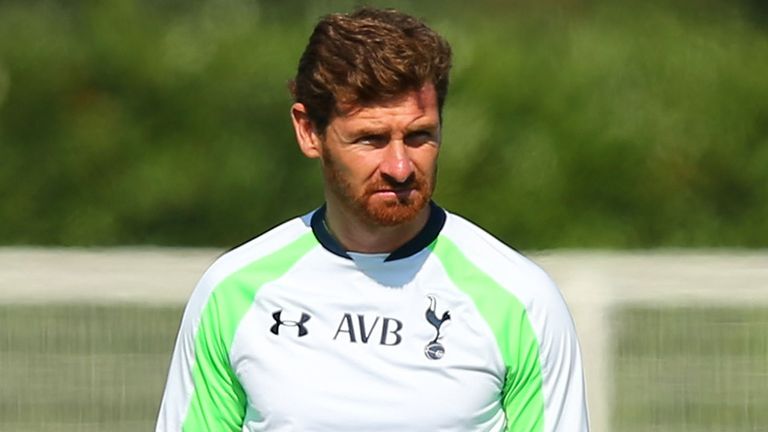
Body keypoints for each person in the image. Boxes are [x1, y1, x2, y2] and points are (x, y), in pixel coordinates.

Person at [156, 7, 589, 432]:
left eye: (420, 136)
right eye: (371, 139)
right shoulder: (234, 291)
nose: (400, 167)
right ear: (309, 131)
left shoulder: (521, 299)